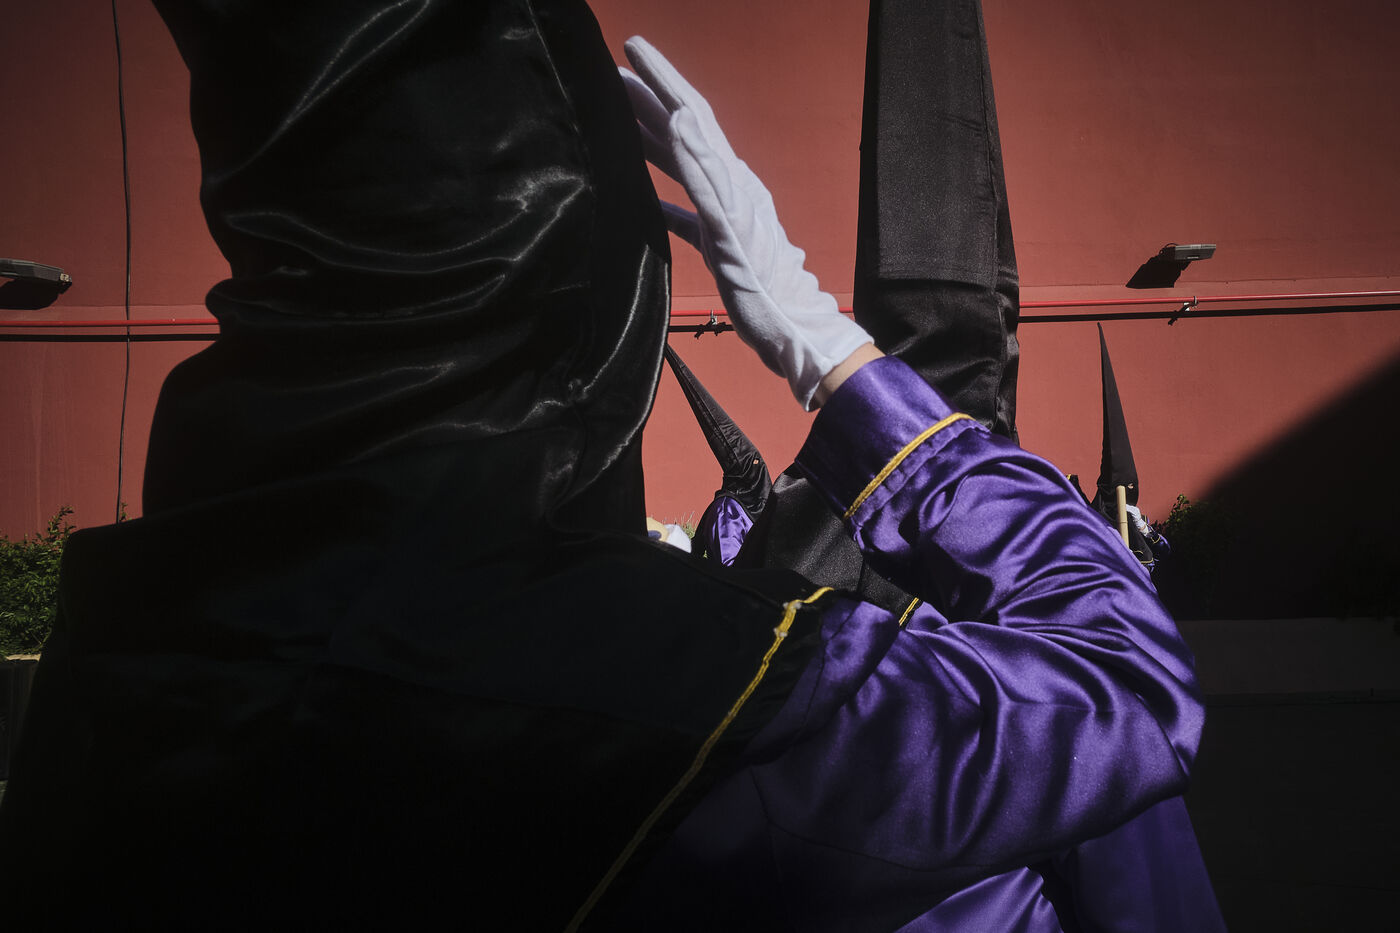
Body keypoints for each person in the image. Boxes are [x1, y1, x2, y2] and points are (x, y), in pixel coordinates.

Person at [0, 5, 1205, 930]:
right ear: (586, 321)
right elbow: (1126, 692)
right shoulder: (644, 681)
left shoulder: (126, 635)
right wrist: (829, 353)